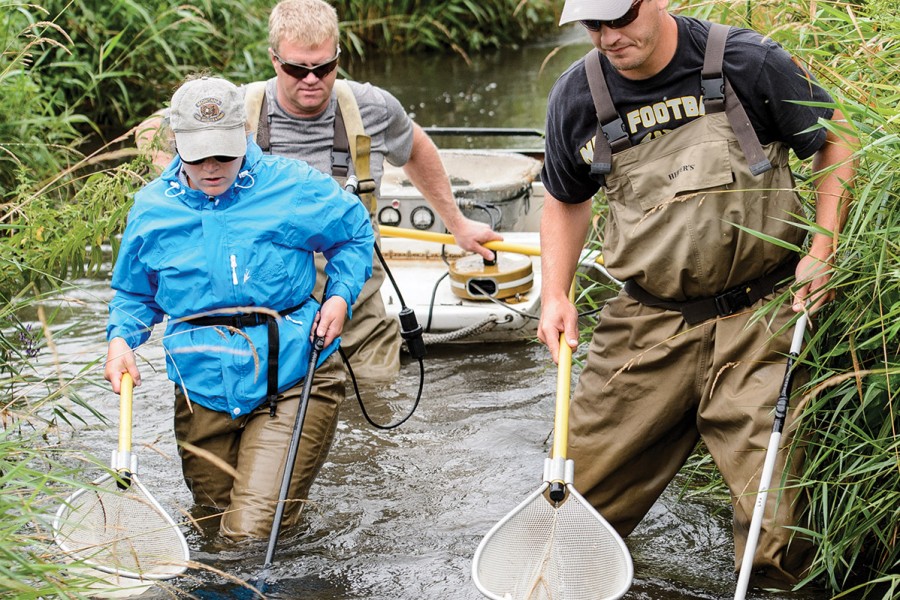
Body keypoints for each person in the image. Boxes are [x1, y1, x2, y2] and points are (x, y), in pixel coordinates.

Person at [537, 0, 856, 590]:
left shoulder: (747, 61)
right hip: (645, 322)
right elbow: (565, 197)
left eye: (621, 17)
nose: (609, 37)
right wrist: (554, 291)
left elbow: (836, 142)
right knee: (568, 512)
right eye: (593, 25)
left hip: (760, 315)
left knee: (779, 529)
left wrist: (823, 247)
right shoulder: (575, 97)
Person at [135, 0, 502, 383]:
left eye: (324, 67)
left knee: (377, 410)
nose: (312, 79)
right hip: (272, 320)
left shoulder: (372, 108)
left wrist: (457, 224)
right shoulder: (236, 111)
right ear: (274, 60)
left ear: (338, 57)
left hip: (357, 311)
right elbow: (149, 132)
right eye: (297, 68)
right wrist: (194, 195)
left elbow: (417, 148)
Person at [105, 76, 375, 541]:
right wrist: (119, 342)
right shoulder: (152, 211)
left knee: (248, 537)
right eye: (198, 155)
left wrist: (339, 295)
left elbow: (354, 232)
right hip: (201, 391)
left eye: (225, 153)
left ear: (245, 136)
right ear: (176, 144)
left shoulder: (292, 187)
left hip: (292, 375)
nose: (212, 167)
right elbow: (134, 296)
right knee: (211, 532)